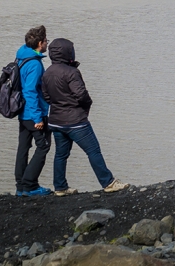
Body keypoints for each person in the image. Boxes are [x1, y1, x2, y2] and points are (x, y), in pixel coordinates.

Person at [41, 38, 129, 195]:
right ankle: (108, 182)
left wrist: (60, 104)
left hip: (56, 121)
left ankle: (60, 187)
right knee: (93, 151)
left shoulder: (47, 72)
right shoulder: (71, 72)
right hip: (76, 121)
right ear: (68, 52)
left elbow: (46, 96)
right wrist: (86, 105)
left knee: (61, 155)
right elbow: (81, 95)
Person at [14, 25, 52, 197]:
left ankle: (21, 186)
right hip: (33, 114)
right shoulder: (35, 64)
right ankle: (30, 186)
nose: (47, 44)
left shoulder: (21, 57)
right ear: (39, 43)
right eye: (46, 41)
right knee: (43, 146)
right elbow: (30, 91)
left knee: (23, 147)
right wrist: (38, 118)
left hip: (22, 112)